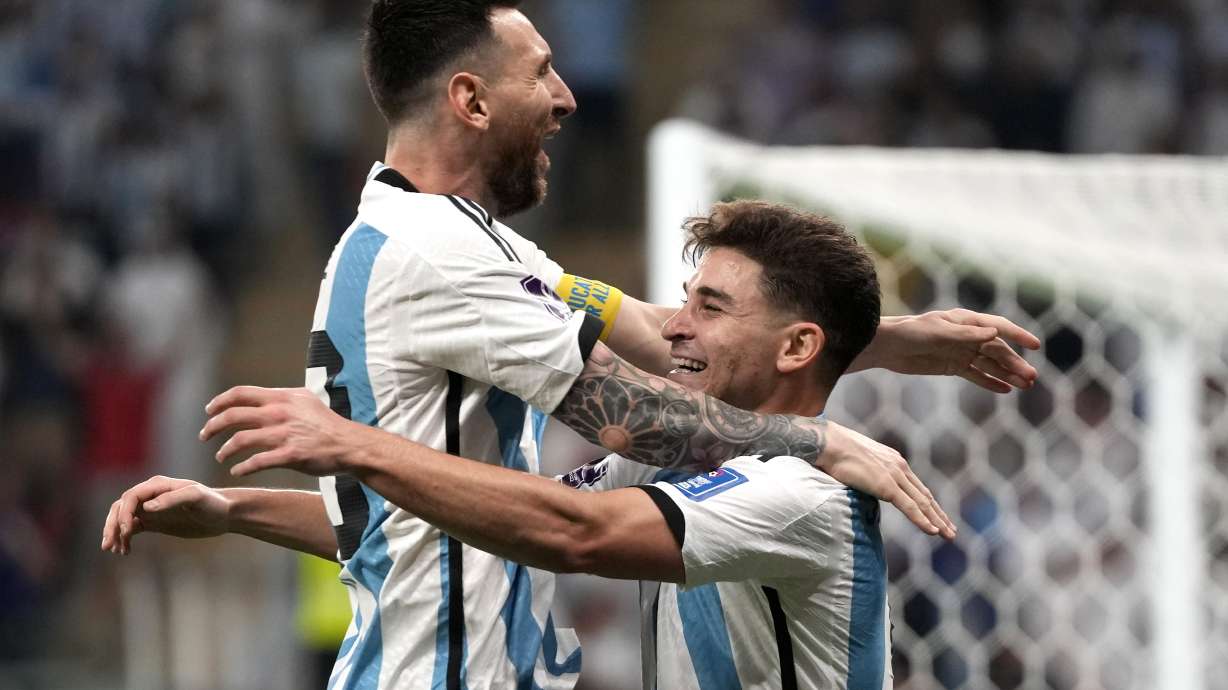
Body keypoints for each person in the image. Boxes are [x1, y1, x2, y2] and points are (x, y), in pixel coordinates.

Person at [102, 2, 1038, 688]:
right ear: (469, 99)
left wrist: (885, 340)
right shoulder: (442, 253)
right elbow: (594, 482)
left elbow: (646, 349)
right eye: (540, 70)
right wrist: (822, 434)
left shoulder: (467, 244)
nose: (566, 95)